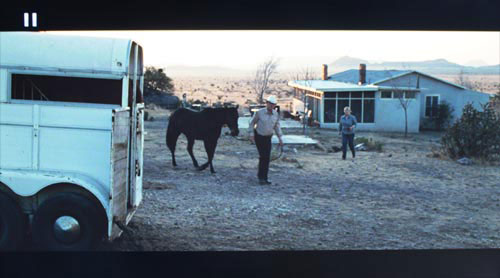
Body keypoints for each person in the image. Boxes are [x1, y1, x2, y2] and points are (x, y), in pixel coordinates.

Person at [249, 95, 283, 185]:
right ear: (267, 103)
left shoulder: (276, 114)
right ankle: (261, 177)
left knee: (266, 157)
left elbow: (277, 126)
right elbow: (252, 123)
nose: (272, 106)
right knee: (263, 156)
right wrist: (251, 135)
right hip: (259, 136)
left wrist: (280, 137)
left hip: (268, 137)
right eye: (270, 104)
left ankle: (265, 178)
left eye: (273, 104)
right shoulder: (259, 113)